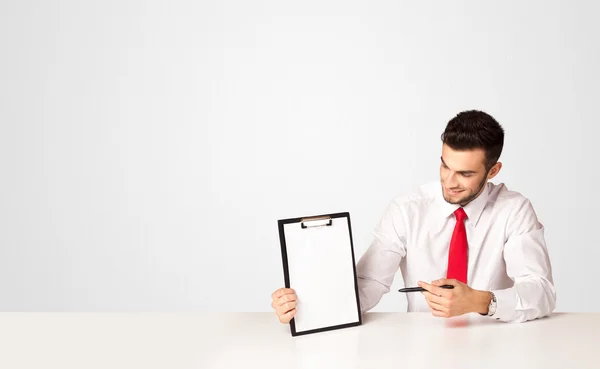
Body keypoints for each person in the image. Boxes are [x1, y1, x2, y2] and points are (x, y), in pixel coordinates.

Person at [270, 110, 556, 323]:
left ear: (493, 171)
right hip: (421, 347)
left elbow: (541, 292)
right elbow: (370, 282)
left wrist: (480, 301)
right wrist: (307, 307)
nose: (450, 181)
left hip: (496, 345)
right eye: (445, 166)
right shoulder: (408, 209)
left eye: (466, 173)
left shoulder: (514, 210)